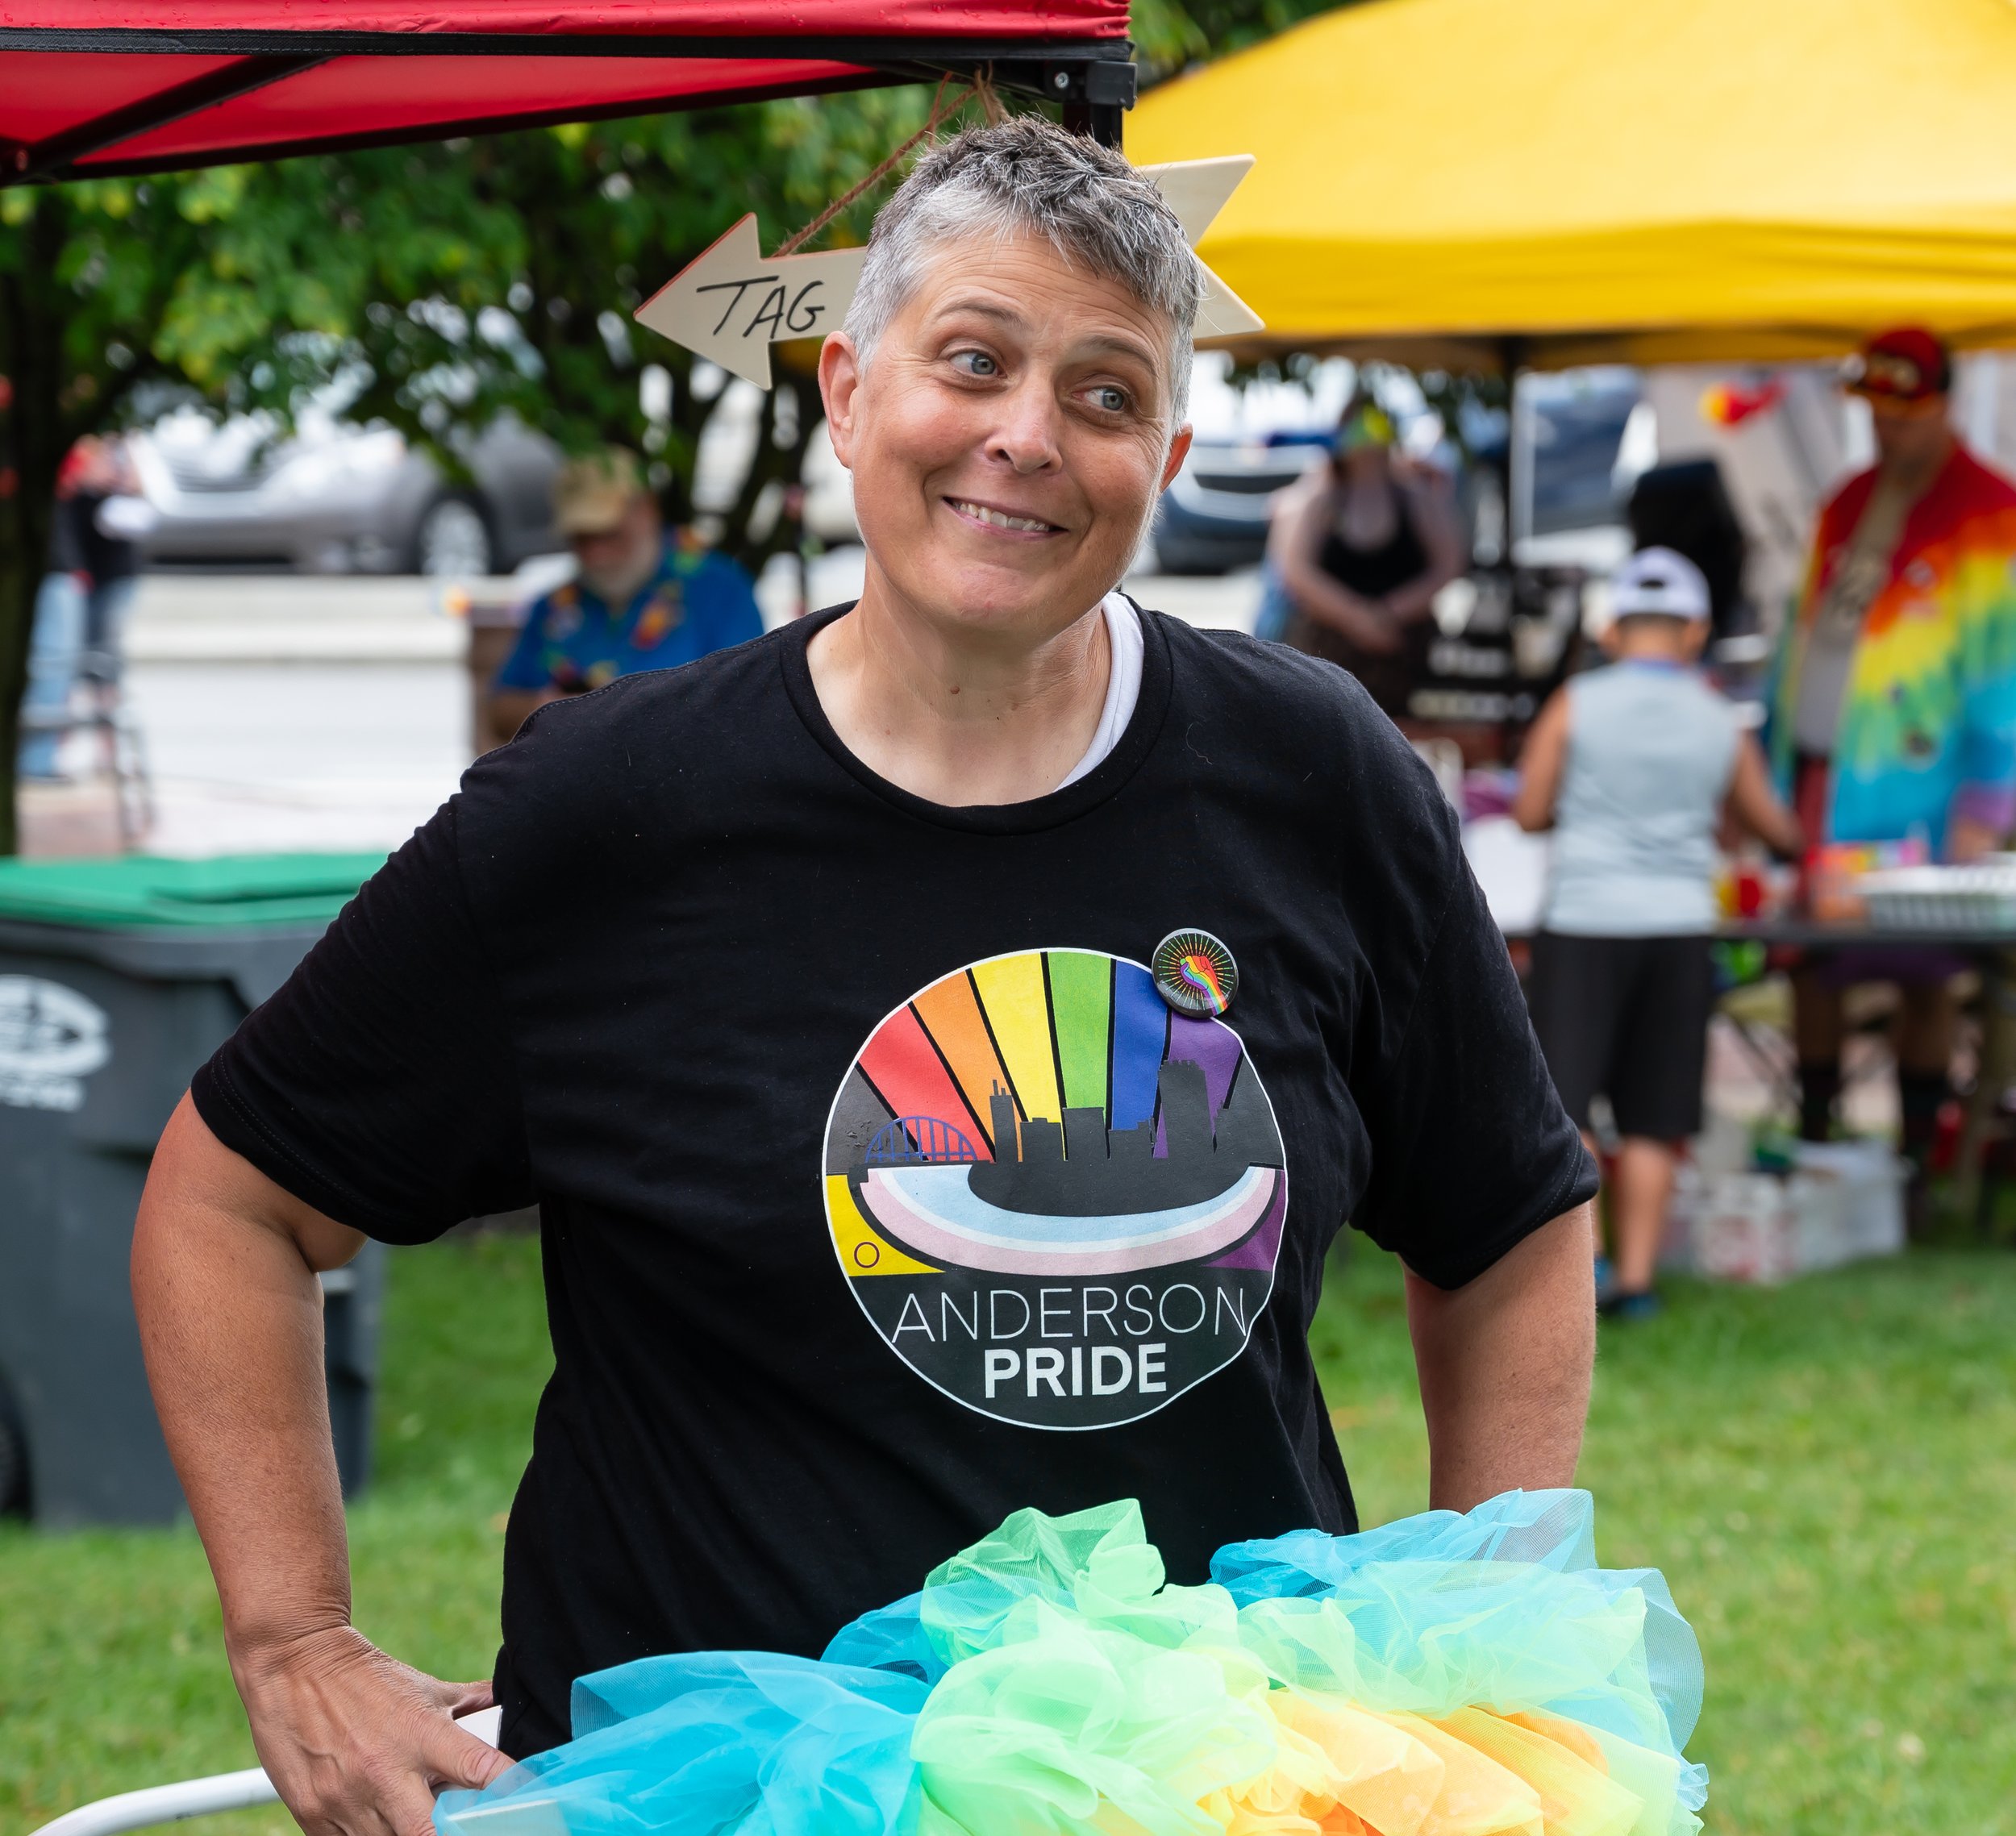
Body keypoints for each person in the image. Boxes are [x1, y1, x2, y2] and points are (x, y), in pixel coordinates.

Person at [131, 119, 1599, 1836]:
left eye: (1106, 395)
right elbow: (228, 1200)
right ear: (845, 390)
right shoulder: (604, 810)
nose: (1025, 438)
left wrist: (1472, 1654)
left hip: (1206, 1790)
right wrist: (295, 1636)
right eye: (970, 360)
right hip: (705, 1800)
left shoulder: (1311, 775)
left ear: (1173, 452)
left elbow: (1507, 1217)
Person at [1515, 549, 1801, 1318]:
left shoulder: (1575, 703)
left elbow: (1530, 809)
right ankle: (1639, 1282)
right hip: (1678, 927)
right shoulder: (1719, 717)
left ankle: (1589, 1265)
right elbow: (1772, 826)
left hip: (1584, 919)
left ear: (1610, 629)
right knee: (1654, 1113)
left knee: (1564, 1106)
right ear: (1695, 629)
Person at [1764, 327, 2016, 1179]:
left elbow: (2002, 670)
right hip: (1823, 781)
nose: (1886, 431)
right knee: (1809, 961)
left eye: (1903, 415)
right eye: (1875, 413)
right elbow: (1800, 637)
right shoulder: (1846, 499)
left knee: (1924, 974)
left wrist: (1988, 806)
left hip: (1924, 791)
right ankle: (1816, 1138)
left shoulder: (1991, 512)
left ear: (1944, 404)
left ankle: (1913, 1163)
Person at [487, 446, 763, 741]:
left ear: (646, 511)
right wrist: (548, 707)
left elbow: (750, 704)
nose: (596, 554)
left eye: (607, 532)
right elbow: (499, 709)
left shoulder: (720, 589)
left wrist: (629, 709)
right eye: (581, 538)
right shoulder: (553, 606)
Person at [1278, 393, 1465, 722]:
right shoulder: (1321, 497)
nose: (1367, 443)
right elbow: (1295, 569)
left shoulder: (1414, 496)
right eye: (1358, 430)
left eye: (1375, 429)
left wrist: (1390, 613)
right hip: (1330, 654)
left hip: (1402, 650)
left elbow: (1449, 564)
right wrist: (1355, 618)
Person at [20, 435, 145, 781]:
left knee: (91, 664)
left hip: (95, 573)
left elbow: (134, 485)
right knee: (59, 667)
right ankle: (41, 760)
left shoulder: (107, 443)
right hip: (74, 571)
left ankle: (98, 755)